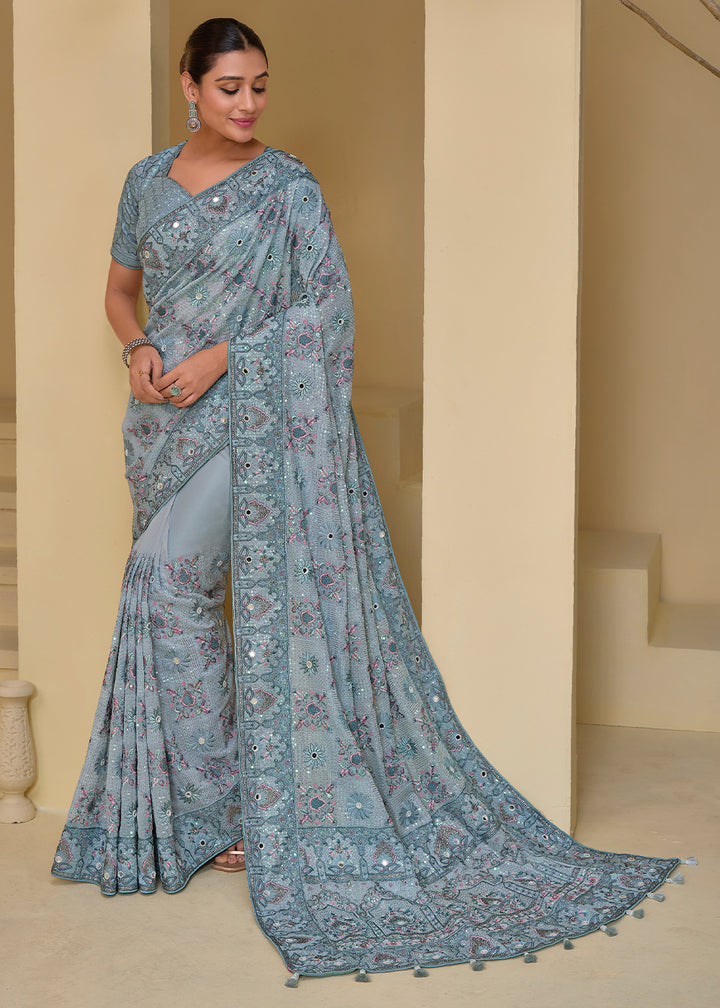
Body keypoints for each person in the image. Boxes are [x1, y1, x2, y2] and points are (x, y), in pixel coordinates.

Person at [52, 17, 689, 983]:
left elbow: (326, 310)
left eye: (260, 86)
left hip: (249, 415)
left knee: (164, 573)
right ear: (188, 86)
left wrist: (231, 355)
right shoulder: (145, 183)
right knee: (179, 597)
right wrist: (139, 350)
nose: (248, 104)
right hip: (162, 424)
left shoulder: (287, 189)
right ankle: (217, 806)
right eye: (229, 88)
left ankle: (240, 808)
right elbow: (118, 291)